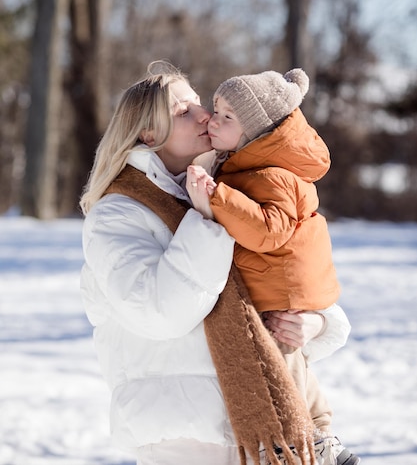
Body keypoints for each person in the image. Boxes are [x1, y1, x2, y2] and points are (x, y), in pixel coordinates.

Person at [79, 61, 355, 465]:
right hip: (183, 441)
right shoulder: (118, 214)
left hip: (259, 437)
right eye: (183, 111)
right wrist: (206, 218)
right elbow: (160, 312)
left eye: (198, 104)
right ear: (149, 133)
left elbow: (284, 271)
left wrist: (317, 323)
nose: (204, 115)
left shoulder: (224, 188)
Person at [187, 68, 360, 465]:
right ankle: (322, 435)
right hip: (277, 287)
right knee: (292, 361)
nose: (213, 120)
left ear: (255, 134)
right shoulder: (248, 167)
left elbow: (268, 231)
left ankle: (307, 437)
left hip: (279, 291)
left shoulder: (270, 175)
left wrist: (217, 198)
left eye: (227, 117)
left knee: (280, 368)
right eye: (216, 109)